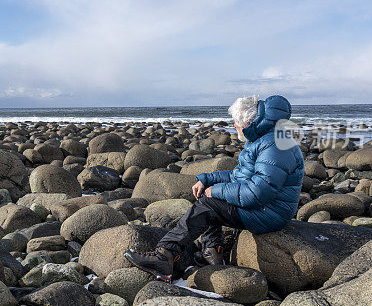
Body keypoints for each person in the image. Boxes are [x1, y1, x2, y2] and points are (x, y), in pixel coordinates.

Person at [124, 94, 304, 282]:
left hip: (271, 211)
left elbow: (258, 192)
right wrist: (208, 180)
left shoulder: (274, 146)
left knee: (210, 203)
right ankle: (212, 253)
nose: (234, 126)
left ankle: (165, 255)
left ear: (249, 122)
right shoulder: (263, 139)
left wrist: (215, 190)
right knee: (209, 195)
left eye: (236, 122)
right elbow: (238, 176)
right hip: (266, 206)